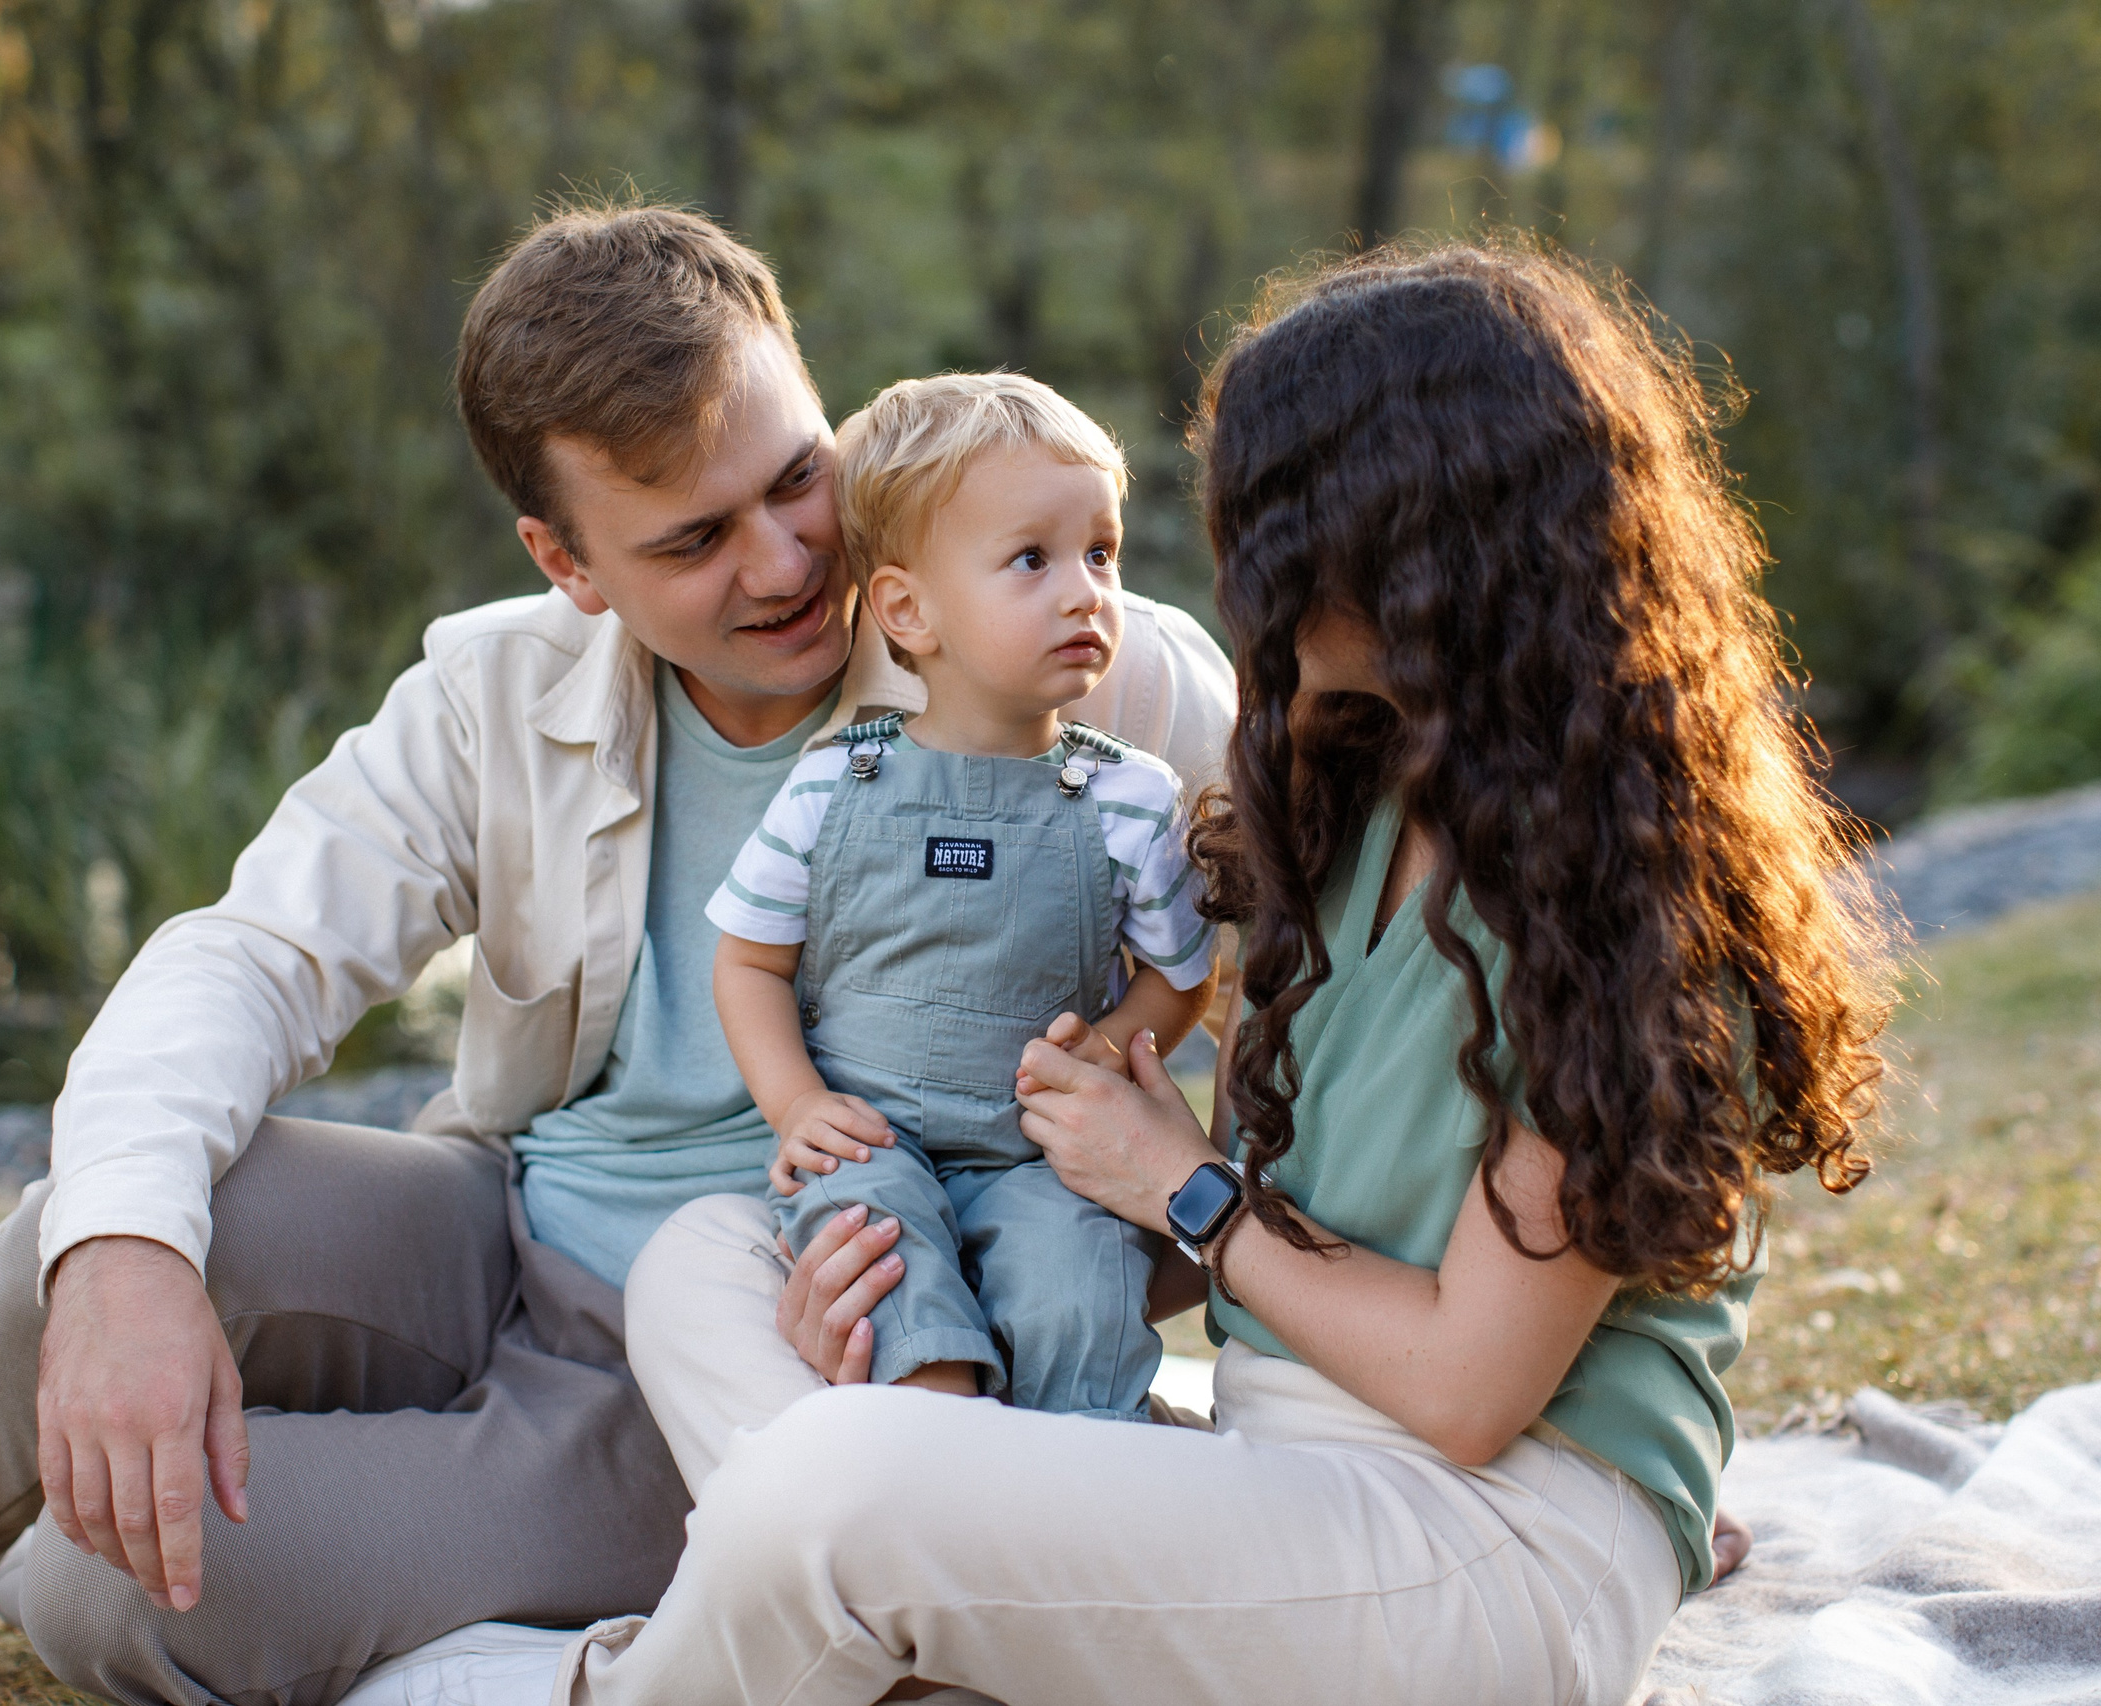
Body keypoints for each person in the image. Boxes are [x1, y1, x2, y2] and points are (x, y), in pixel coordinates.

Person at [0, 205, 1236, 1706]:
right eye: (692, 539)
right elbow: (250, 952)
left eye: (797, 478)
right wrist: (131, 1263)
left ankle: (602, 1667)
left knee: (98, 1577)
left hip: (748, 1346)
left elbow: (1295, 961)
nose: (791, 561)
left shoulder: (1083, 673)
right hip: (497, 1229)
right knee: (90, 1227)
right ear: (565, 565)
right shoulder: (495, 695)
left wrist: (1150, 1239)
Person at [572, 239, 1892, 1706]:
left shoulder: (1626, 898)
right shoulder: (1352, 791)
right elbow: (1244, 1252)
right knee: (711, 1258)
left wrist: (1183, 1182)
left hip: (1488, 1542)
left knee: (828, 1492)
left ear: (1403, 544)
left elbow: (1465, 1391)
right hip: (1284, 1473)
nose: (1232, 572)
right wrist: (897, 1273)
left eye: (1265, 524)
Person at [709, 373, 1217, 1418]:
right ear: (906, 608)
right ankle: (940, 1458)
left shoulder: (1127, 798)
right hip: (871, 1138)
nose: (1085, 591)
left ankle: (1087, 1489)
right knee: (884, 1280)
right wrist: (797, 1103)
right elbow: (747, 958)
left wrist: (1113, 1039)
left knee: (1078, 1285)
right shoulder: (832, 780)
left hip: (1041, 1154)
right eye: (1031, 559)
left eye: (1100, 552)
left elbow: (1181, 977)